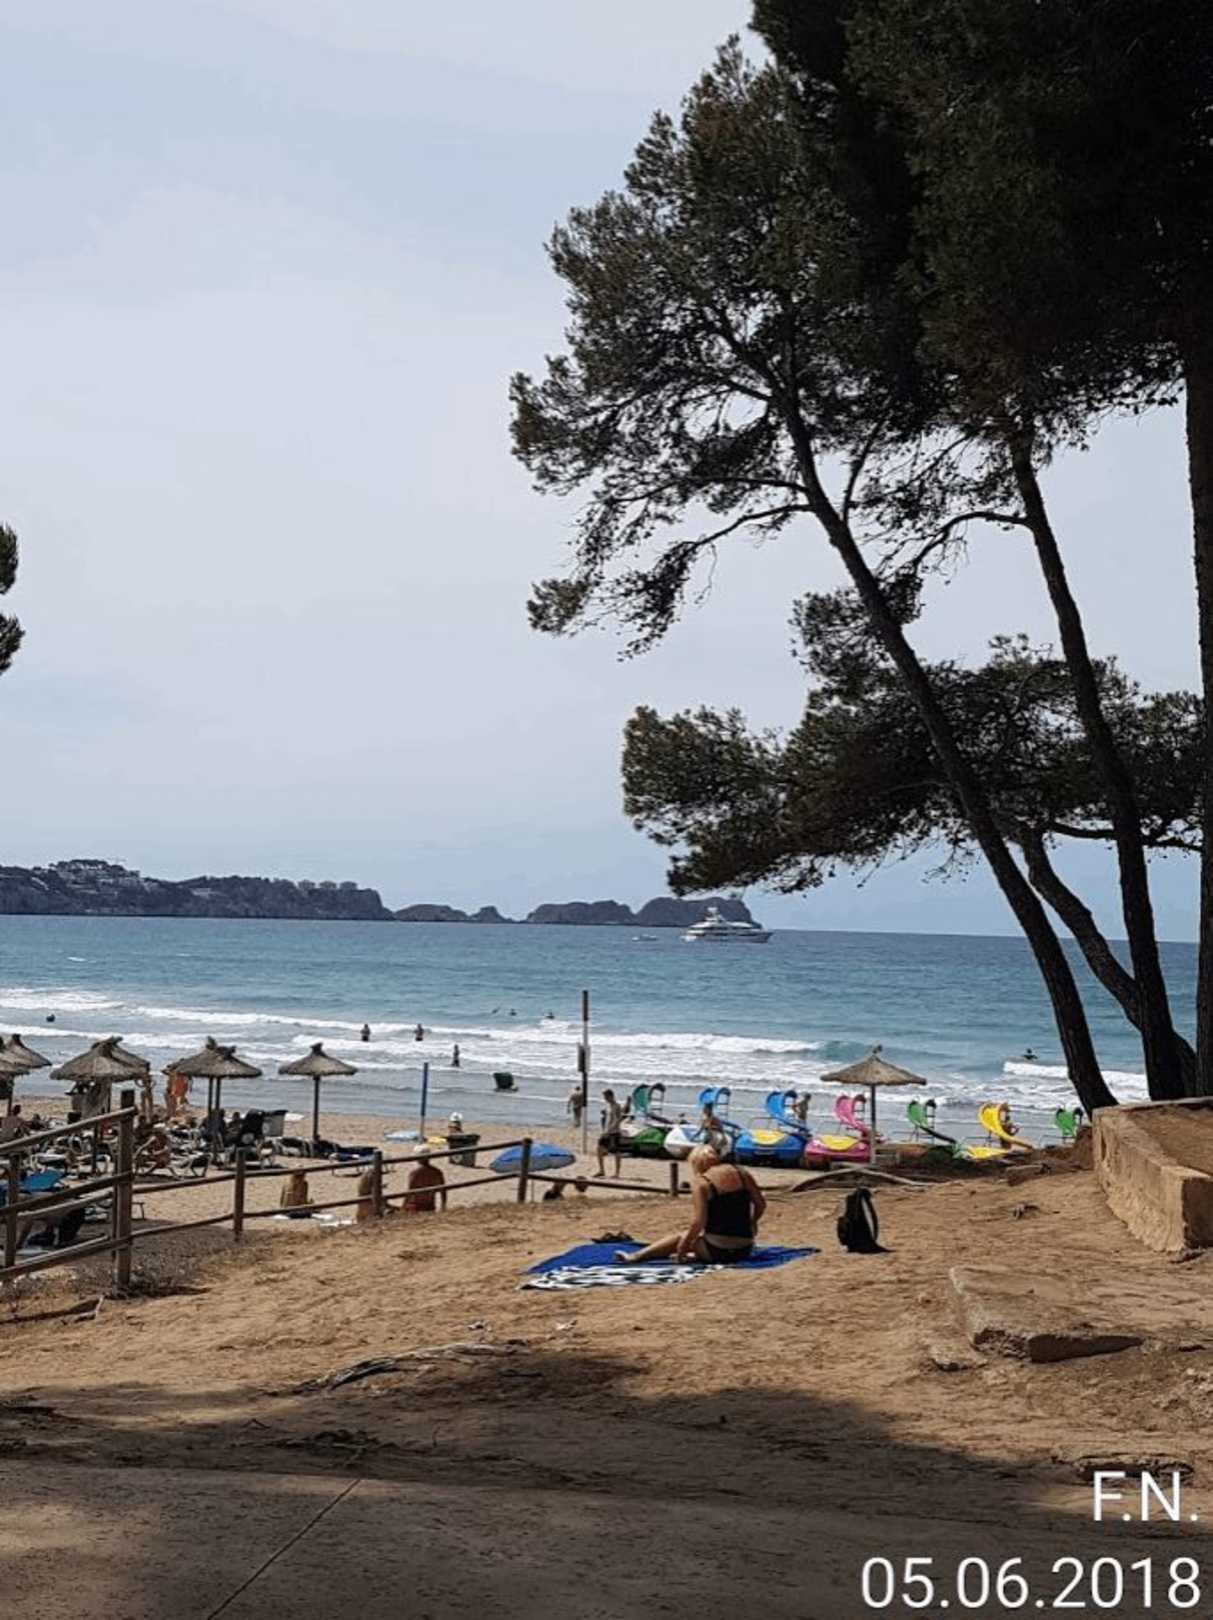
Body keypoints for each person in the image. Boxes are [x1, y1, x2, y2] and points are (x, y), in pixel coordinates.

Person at [618, 1145, 765, 1265]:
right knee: (700, 1238)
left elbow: (698, 1222)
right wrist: (752, 1222)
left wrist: (682, 1247)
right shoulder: (742, 1174)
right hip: (744, 1249)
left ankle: (637, 1256)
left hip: (717, 1251)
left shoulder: (702, 1183)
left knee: (681, 1237)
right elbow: (761, 1204)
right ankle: (694, 1255)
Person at [595, 1088, 628, 1178]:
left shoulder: (617, 1106)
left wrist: (609, 1130)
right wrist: (604, 1129)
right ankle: (601, 1170)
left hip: (614, 1132)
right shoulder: (608, 1106)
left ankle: (617, 1173)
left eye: (606, 1097)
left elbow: (618, 1120)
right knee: (599, 1149)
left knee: (616, 1152)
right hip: (607, 1131)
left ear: (611, 1096)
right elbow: (607, 1119)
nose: (605, 1098)